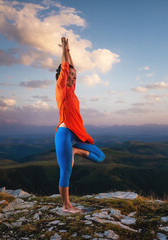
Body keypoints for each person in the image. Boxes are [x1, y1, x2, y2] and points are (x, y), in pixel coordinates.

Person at [54, 37, 105, 214]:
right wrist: (64, 51)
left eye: (74, 77)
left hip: (75, 136)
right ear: (63, 76)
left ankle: (76, 151)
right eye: (70, 75)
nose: (73, 78)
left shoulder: (72, 90)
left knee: (100, 156)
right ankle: (66, 206)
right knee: (66, 170)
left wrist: (69, 52)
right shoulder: (61, 89)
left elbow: (73, 71)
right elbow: (65, 68)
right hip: (64, 135)